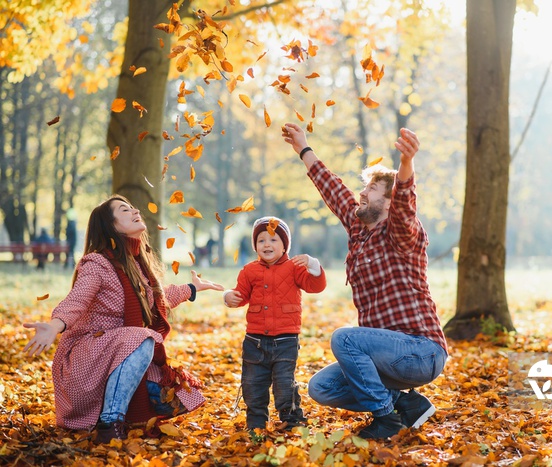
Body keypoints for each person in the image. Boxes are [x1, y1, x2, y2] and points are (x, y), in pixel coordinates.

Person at [281, 123, 449, 439]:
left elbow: (404, 207)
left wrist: (406, 166)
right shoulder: (360, 231)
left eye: (371, 189)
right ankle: (404, 404)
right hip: (385, 357)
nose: (362, 192)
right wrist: (303, 147)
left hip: (420, 351)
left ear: (388, 202)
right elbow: (333, 190)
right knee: (322, 387)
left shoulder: (401, 234)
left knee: (345, 339)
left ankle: (386, 419)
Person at [22, 195, 224, 444]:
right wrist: (54, 325)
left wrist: (192, 289)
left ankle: (110, 414)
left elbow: (155, 301)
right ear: (111, 226)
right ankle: (110, 421)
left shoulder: (136, 265)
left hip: (118, 352)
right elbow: (78, 299)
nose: (135, 210)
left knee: (178, 396)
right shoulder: (97, 263)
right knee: (143, 337)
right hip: (87, 357)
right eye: (124, 210)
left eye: (132, 206)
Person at [223, 216, 326, 433]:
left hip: (286, 340)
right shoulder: (250, 270)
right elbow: (240, 294)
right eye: (261, 240)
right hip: (255, 340)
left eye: (273, 240)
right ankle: (256, 424)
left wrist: (313, 265)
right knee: (253, 384)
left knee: (284, 384)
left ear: (284, 245)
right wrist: (229, 296)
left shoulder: (294, 267)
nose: (267, 245)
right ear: (255, 245)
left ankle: (292, 420)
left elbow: (315, 286)